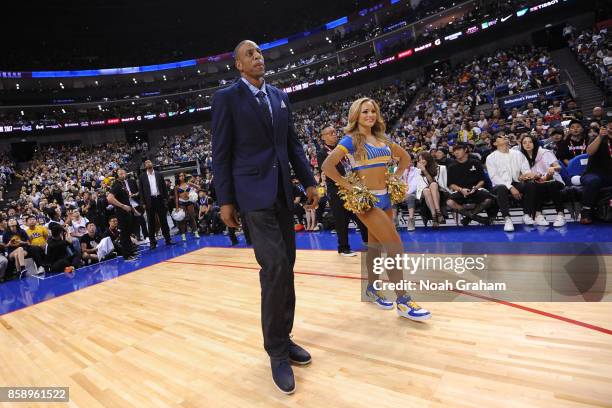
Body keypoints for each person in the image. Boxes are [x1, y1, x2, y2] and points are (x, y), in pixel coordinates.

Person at [211, 39, 319, 395]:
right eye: (249, 55)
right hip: (252, 196)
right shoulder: (227, 98)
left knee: (285, 266)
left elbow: (292, 144)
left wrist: (308, 180)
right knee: (273, 266)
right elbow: (221, 153)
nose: (258, 57)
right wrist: (225, 200)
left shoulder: (278, 95)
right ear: (238, 65)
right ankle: (275, 351)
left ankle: (283, 338)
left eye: (259, 53)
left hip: (282, 194)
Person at [322, 97, 431, 318]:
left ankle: (371, 289)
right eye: (364, 112)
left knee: (375, 248)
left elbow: (405, 158)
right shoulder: (351, 140)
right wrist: (350, 186)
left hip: (385, 198)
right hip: (366, 201)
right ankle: (403, 300)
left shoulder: (382, 138)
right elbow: (327, 166)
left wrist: (395, 178)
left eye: (372, 111)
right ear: (356, 116)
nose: (370, 115)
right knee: (395, 246)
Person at [317, 125, 368, 254]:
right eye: (330, 133)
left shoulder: (343, 149)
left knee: (362, 216)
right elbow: (327, 171)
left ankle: (368, 241)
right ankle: (343, 248)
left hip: (351, 188)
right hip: (336, 190)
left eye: (334, 131)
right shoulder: (322, 153)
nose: (334, 134)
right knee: (341, 221)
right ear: (323, 137)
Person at [485, 133, 535, 232]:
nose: (504, 136)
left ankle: (526, 215)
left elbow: (526, 170)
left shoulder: (517, 153)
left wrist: (526, 175)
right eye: (500, 137)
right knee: (502, 188)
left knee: (531, 184)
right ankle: (507, 218)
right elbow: (494, 177)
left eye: (504, 136)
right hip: (499, 185)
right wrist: (511, 188)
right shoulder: (491, 157)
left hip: (516, 181)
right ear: (495, 143)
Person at [518, 134, 566, 227]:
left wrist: (553, 169)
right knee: (535, 186)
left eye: (530, 142)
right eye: (524, 143)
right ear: (522, 145)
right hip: (538, 183)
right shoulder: (521, 158)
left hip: (553, 180)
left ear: (535, 143)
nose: (527, 144)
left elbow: (559, 167)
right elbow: (520, 176)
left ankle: (561, 215)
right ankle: (538, 215)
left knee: (551, 184)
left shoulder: (545, 152)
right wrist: (524, 177)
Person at [446, 142, 493, 226]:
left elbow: (482, 180)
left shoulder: (476, 162)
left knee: (489, 199)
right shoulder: (451, 166)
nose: (456, 152)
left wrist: (475, 188)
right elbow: (450, 184)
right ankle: (475, 217)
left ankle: (468, 217)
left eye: (459, 150)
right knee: (449, 202)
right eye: (454, 151)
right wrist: (461, 189)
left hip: (476, 189)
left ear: (465, 150)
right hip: (460, 191)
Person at [580, 122, 612, 224]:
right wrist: (600, 137)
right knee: (594, 181)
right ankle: (586, 211)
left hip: (609, 176)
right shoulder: (597, 138)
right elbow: (589, 152)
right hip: (592, 174)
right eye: (610, 125)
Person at [138, 159, 173, 249]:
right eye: (146, 163)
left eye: (149, 162)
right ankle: (152, 242)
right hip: (149, 201)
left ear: (152, 164)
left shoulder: (159, 174)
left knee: (163, 220)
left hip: (159, 199)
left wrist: (166, 199)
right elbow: (141, 191)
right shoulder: (142, 176)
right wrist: (143, 203)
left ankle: (168, 239)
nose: (148, 163)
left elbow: (164, 188)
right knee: (151, 222)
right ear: (145, 166)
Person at [106, 168, 139, 260]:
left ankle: (130, 252)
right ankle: (127, 255)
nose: (123, 175)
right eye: (121, 173)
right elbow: (109, 198)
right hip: (121, 213)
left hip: (127, 212)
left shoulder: (123, 184)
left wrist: (133, 210)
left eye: (124, 173)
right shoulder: (116, 185)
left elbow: (127, 199)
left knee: (128, 233)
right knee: (124, 235)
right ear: (117, 175)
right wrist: (122, 206)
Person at [415, 151, 450, 228]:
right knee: (427, 190)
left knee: (433, 185)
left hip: (439, 192)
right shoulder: (417, 170)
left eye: (423, 159)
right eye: (419, 160)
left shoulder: (441, 168)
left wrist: (425, 171)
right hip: (424, 194)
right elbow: (421, 186)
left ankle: (435, 216)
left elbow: (438, 184)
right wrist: (423, 170)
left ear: (428, 159)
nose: (421, 161)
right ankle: (438, 214)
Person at [174, 172, 200, 241]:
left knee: (192, 217)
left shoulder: (188, 183)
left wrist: (193, 194)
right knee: (182, 219)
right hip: (182, 202)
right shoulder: (176, 186)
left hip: (189, 202)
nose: (182, 177)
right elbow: (176, 198)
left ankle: (196, 232)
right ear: (178, 177)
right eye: (180, 176)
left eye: (183, 175)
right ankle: (183, 235)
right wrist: (177, 207)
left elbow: (198, 187)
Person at [124, 173, 149, 243]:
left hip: (135, 203)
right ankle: (137, 236)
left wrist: (134, 194)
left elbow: (139, 191)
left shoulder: (132, 181)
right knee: (133, 222)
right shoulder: (119, 185)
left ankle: (146, 236)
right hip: (127, 206)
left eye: (124, 174)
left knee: (142, 220)